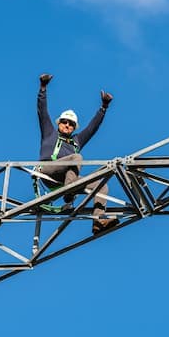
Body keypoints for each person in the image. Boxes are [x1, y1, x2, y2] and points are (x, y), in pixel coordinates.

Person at [36, 73, 118, 234]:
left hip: (67, 179)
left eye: (71, 124)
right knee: (77, 157)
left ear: (74, 128)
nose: (67, 125)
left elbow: (91, 128)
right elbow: (42, 112)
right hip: (48, 171)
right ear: (59, 123)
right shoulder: (50, 134)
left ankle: (98, 221)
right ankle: (69, 192)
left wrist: (104, 108)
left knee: (101, 185)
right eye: (65, 122)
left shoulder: (76, 142)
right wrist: (43, 88)